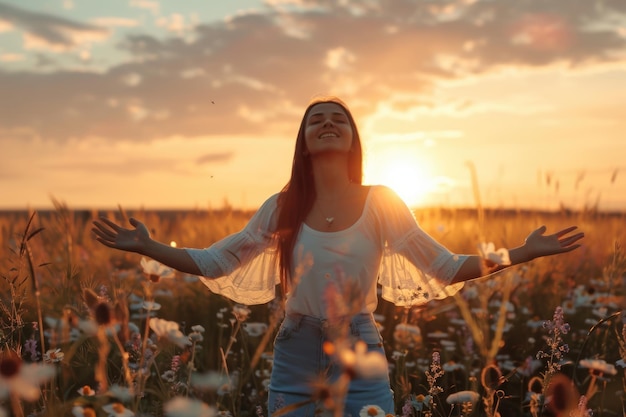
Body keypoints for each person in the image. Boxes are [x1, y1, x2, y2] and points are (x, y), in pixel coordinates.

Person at [92, 96, 584, 416]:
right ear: (304, 144)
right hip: (295, 350)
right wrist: (149, 246)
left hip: (361, 348)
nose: (328, 124)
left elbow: (446, 268)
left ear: (352, 140)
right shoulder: (283, 206)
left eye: (339, 119)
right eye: (315, 121)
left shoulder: (382, 201)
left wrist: (524, 252)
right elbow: (218, 262)